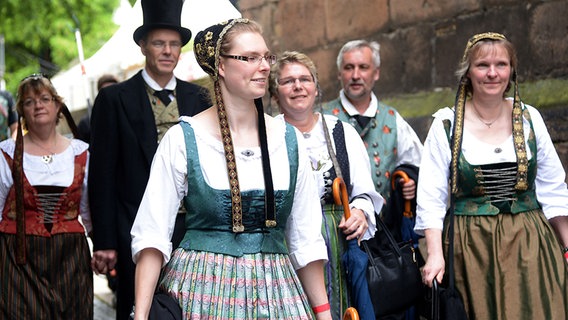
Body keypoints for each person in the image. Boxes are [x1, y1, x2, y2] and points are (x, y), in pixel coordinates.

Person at [130, 19, 332, 319]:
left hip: (276, 294)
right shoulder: (184, 139)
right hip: (201, 293)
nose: (264, 66)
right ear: (221, 66)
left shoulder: (287, 140)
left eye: (266, 57)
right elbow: (152, 236)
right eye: (250, 58)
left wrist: (324, 314)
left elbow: (305, 240)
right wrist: (142, 315)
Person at [415, 32, 568, 319]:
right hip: (472, 247)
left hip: (530, 241)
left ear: (511, 71)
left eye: (502, 64)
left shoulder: (529, 118)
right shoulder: (446, 125)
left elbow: (553, 188)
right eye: (483, 65)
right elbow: (431, 199)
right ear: (468, 72)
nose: (493, 73)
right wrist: (435, 254)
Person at [88, 0, 210, 319]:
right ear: (143, 46)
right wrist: (104, 241)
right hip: (135, 225)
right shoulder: (114, 99)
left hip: (194, 228)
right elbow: (101, 174)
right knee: (138, 309)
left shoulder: (199, 98)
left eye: (174, 44)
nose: (168, 51)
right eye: (159, 43)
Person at [269, 51, 383, 319]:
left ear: (316, 88)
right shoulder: (268, 136)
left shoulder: (340, 131)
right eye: (287, 81)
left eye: (304, 79)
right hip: (286, 242)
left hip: (338, 240)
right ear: (275, 94)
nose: (298, 86)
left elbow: (365, 192)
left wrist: (360, 212)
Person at [0, 74, 93, 318]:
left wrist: (104, 247)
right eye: (29, 102)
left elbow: (87, 210)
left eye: (44, 98)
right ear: (22, 111)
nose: (38, 105)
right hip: (18, 258)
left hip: (70, 258)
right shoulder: (5, 154)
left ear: (57, 105)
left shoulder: (81, 153)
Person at [322, 40, 423, 207]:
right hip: (340, 225)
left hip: (385, 227)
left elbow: (418, 163)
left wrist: (410, 180)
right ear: (339, 74)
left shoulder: (391, 118)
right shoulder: (323, 118)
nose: (355, 75)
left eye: (363, 67)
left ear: (376, 73)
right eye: (349, 67)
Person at [77, 74, 119, 143]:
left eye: (113, 90)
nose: (111, 95)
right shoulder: (86, 123)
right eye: (106, 92)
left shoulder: (130, 115)